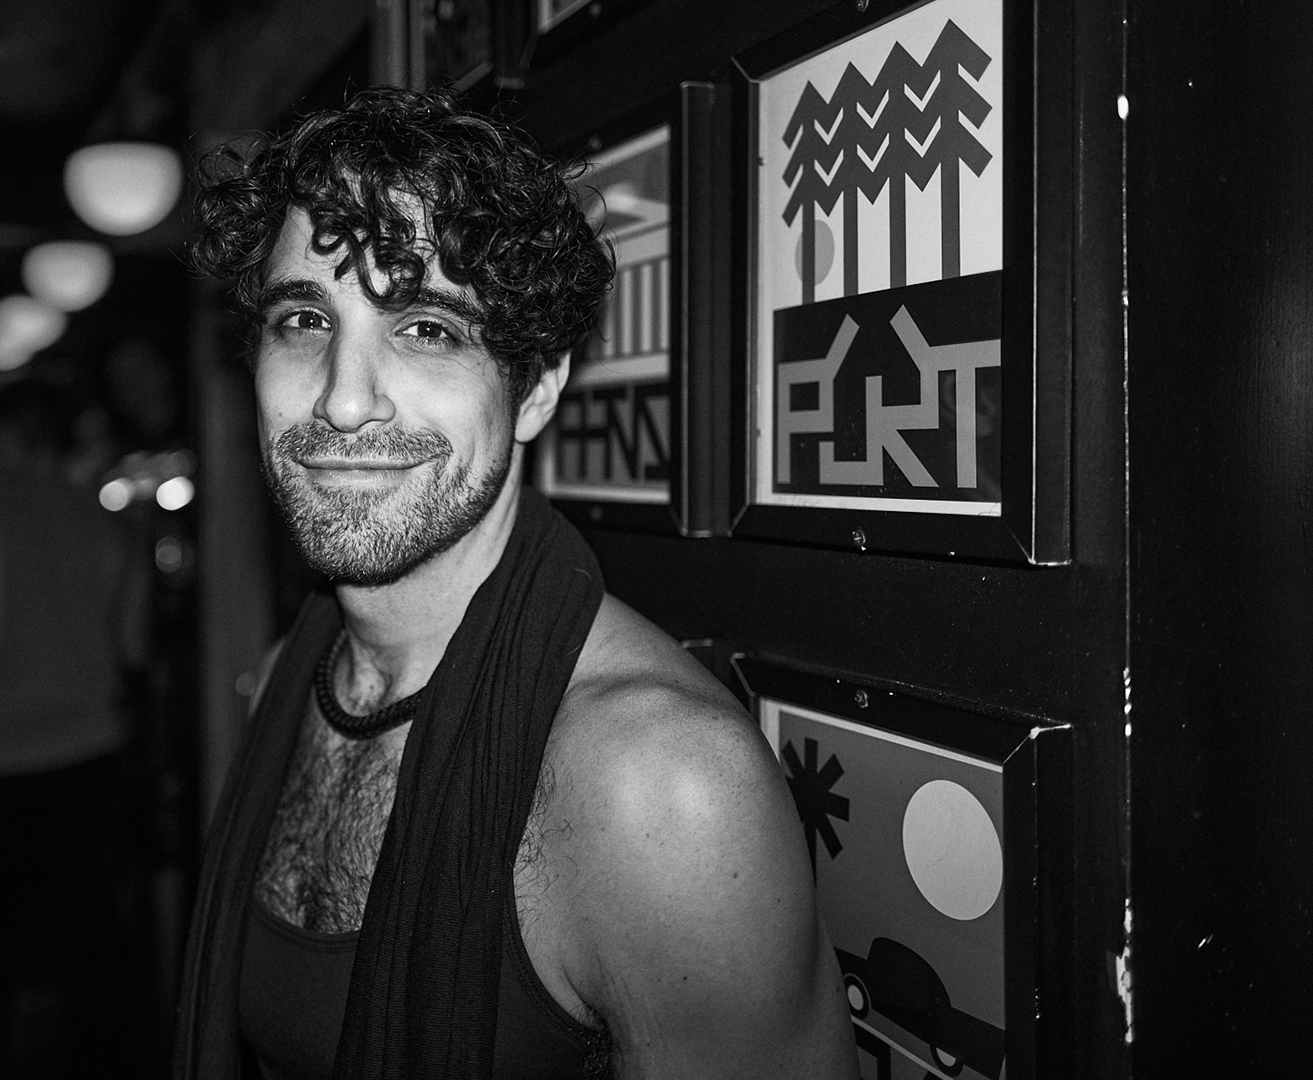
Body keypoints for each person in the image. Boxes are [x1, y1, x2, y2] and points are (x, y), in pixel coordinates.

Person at [175, 88, 855, 1079]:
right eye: (304, 319)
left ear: (535, 388)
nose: (344, 400)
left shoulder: (661, 786)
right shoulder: (288, 679)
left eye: (426, 329)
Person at [0, 379, 151, 1078]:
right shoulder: (113, 527)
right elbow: (133, 648)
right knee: (92, 943)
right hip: (90, 750)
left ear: (9, 439)